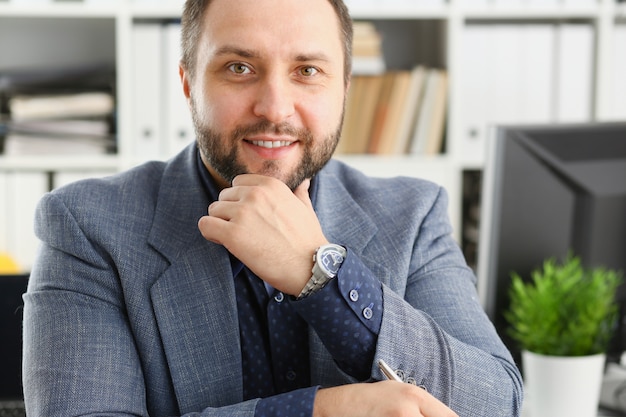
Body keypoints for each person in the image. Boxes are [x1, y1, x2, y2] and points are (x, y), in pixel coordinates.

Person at [22, 0, 523, 416]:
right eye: (239, 68)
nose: (275, 108)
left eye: (307, 71)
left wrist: (322, 276)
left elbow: (497, 402)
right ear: (188, 83)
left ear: (345, 88)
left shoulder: (413, 215)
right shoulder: (86, 226)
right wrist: (320, 411)